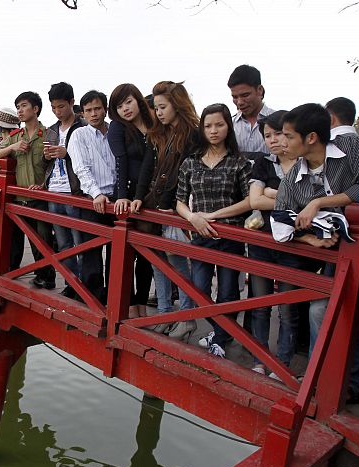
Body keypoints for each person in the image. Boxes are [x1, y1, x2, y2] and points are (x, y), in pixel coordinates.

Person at [273, 103, 359, 404]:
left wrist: (319, 204)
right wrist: (311, 242)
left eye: (288, 136)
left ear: (311, 137)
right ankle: (344, 381)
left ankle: (333, 379)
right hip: (331, 256)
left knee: (334, 312)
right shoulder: (292, 178)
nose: (282, 143)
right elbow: (279, 222)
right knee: (332, 312)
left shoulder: (350, 147)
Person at [175, 104, 252, 355]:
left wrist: (215, 215)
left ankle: (219, 339)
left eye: (219, 124)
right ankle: (222, 331)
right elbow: (180, 201)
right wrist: (193, 218)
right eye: (208, 126)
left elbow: (249, 200)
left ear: (228, 126)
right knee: (198, 290)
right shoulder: (191, 162)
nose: (213, 130)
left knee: (228, 292)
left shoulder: (238, 162)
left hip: (230, 236)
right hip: (201, 235)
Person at [132, 81, 200, 334]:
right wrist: (139, 196)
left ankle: (186, 317)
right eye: (157, 107)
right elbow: (147, 168)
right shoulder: (158, 134)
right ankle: (164, 313)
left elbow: (187, 173)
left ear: (177, 105)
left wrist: (171, 203)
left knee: (177, 261)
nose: (158, 112)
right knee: (156, 260)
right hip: (154, 204)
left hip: (175, 207)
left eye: (163, 107)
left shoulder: (192, 133)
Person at [242, 110, 300, 375]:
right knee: (260, 304)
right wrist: (291, 199)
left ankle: (283, 363)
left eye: (279, 133)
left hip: (295, 245)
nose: (273, 140)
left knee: (288, 310)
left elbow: (311, 204)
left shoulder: (305, 164)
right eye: (267, 135)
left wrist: (270, 192)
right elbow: (255, 201)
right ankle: (260, 360)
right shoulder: (264, 164)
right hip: (263, 241)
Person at [0, 91, 55, 289]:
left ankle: (48, 276)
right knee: (31, 237)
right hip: (20, 196)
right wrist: (12, 149)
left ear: (35, 109)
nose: (19, 111)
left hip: (41, 195)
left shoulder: (48, 134)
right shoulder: (15, 136)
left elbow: (54, 165)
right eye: (18, 107)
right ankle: (41, 275)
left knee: (44, 238)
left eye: (23, 106)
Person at [65, 89, 117, 302]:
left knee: (117, 254)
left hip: (117, 200)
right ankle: (92, 299)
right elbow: (81, 168)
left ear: (105, 109)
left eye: (97, 108)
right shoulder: (79, 134)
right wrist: (96, 194)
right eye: (88, 110)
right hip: (92, 200)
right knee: (91, 253)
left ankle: (114, 298)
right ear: (83, 113)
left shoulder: (115, 132)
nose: (94, 114)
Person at [108, 83, 155, 317]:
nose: (125, 108)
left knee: (147, 254)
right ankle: (126, 305)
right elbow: (121, 161)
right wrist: (122, 196)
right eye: (119, 105)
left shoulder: (153, 124)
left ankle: (142, 305)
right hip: (129, 193)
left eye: (128, 102)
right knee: (126, 252)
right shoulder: (118, 128)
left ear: (138, 100)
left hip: (151, 195)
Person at [42, 82, 86, 299]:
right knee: (63, 243)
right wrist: (47, 156)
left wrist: (66, 152)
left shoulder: (83, 127)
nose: (57, 112)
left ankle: (86, 287)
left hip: (74, 191)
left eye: (61, 106)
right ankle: (72, 283)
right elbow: (45, 161)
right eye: (53, 108)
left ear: (71, 102)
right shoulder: (51, 130)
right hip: (54, 189)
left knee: (81, 242)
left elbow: (88, 158)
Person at [228, 64, 274, 159]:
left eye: (245, 95)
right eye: (235, 97)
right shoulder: (229, 125)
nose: (240, 102)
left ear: (259, 90)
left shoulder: (280, 122)